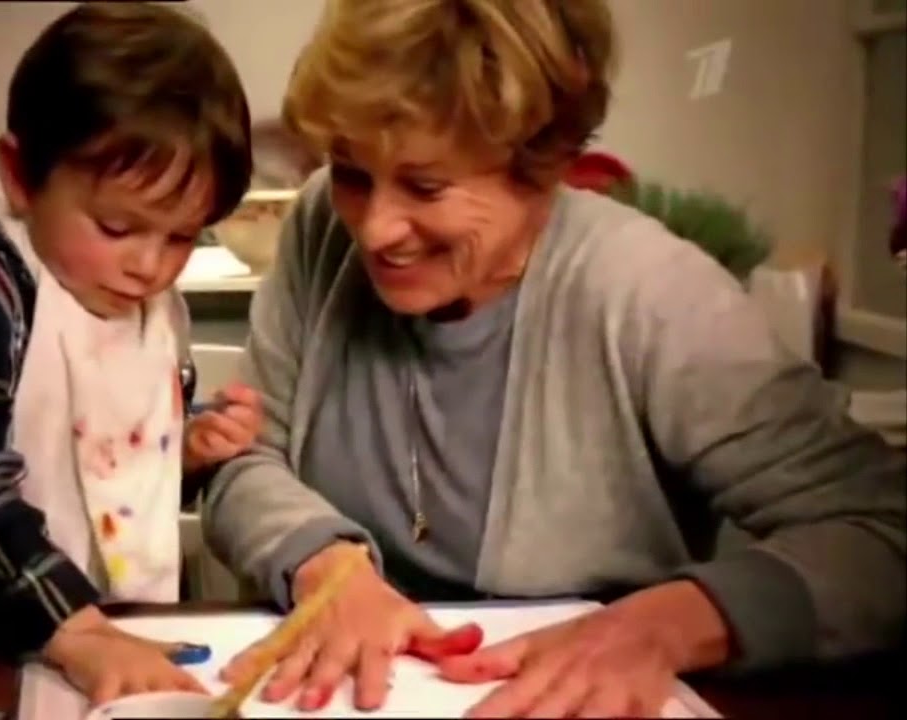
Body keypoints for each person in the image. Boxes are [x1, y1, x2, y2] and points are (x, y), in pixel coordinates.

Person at [202, 0, 906, 717]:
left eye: (426, 186)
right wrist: (325, 566)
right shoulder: (321, 223)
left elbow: (883, 532)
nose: (375, 230)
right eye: (353, 173)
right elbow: (238, 458)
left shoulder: (651, 293)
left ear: (540, 165)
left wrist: (665, 626)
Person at [0, 3, 261, 706]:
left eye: (181, 236)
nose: (149, 265)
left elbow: (106, 482)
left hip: (116, 636)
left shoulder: (155, 312)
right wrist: (74, 628)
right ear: (21, 176)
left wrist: (183, 454)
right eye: (116, 226)